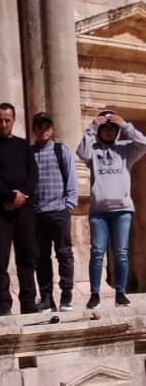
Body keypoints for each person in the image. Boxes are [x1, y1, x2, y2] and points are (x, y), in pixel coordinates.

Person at [77, 110, 146, 309]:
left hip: (122, 210)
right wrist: (92, 128)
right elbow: (81, 152)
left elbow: (143, 144)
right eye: (105, 128)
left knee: (121, 253)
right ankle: (95, 294)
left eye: (112, 128)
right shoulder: (94, 150)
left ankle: (121, 293)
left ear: (117, 130)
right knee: (97, 252)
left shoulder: (126, 150)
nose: (108, 131)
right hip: (99, 212)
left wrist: (125, 125)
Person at [0, 103, 39, 316]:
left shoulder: (24, 146)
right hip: (1, 210)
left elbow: (33, 174)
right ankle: (3, 303)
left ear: (14, 120)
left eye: (7, 120)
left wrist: (22, 196)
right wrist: (10, 196)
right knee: (0, 258)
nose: (4, 124)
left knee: (27, 256)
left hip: (24, 209)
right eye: (0, 120)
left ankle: (28, 301)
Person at [30, 112, 78, 313]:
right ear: (34, 130)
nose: (44, 130)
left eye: (47, 126)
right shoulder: (30, 153)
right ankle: (47, 298)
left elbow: (71, 177)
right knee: (41, 257)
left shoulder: (61, 150)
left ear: (52, 129)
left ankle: (66, 296)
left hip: (59, 211)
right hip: (38, 214)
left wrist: (69, 204)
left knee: (64, 254)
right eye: (40, 127)